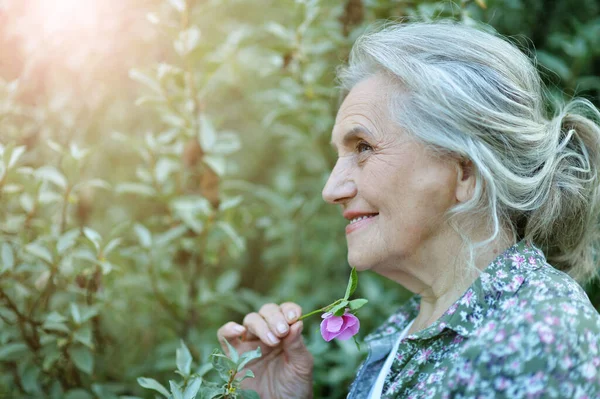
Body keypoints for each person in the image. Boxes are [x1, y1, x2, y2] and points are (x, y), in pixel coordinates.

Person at [217, 21, 600, 398]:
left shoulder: (535, 336)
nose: (331, 189)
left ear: (464, 171)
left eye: (363, 147)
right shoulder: (412, 328)